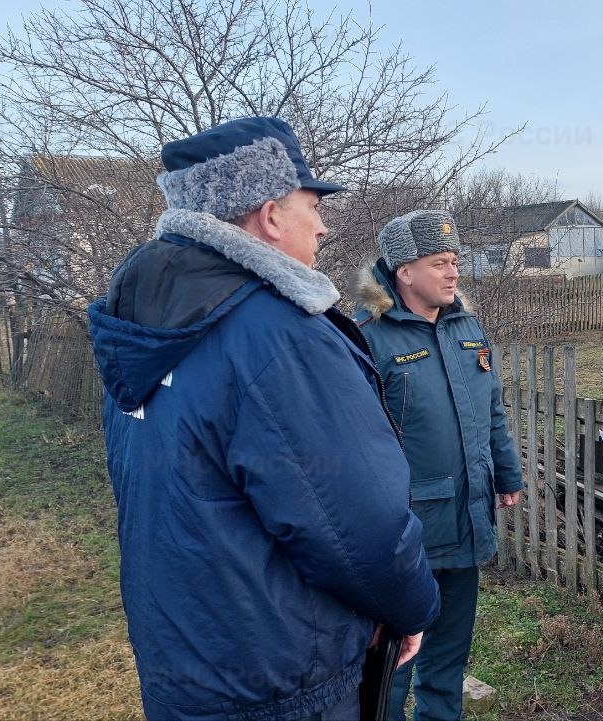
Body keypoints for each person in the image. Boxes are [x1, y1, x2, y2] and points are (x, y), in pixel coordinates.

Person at [88, 117, 440, 721]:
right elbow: (362, 529)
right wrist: (413, 606)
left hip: (184, 665)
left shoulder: (144, 325)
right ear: (271, 215)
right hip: (283, 679)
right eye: (312, 204)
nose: (324, 225)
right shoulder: (278, 337)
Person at [353, 210, 524, 721]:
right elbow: (357, 444)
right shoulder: (368, 336)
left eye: (454, 261)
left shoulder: (466, 327)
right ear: (404, 271)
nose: (452, 273)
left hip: (466, 519)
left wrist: (507, 471)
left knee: (448, 658)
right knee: (392, 663)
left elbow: (491, 407)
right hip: (406, 535)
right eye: (438, 263)